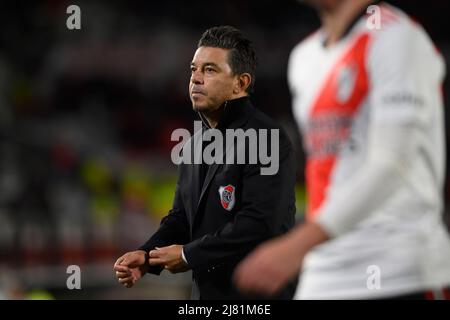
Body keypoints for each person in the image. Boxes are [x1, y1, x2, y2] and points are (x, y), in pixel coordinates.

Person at [234, 0, 450, 299]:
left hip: (399, 272)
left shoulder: (398, 39)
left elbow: (393, 164)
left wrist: (297, 244)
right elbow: (330, 171)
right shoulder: (304, 58)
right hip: (323, 276)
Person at [113, 25, 298, 300]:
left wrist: (188, 256)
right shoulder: (193, 145)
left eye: (210, 70)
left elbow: (259, 223)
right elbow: (181, 219)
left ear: (241, 83)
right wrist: (148, 255)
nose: (196, 79)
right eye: (193, 69)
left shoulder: (266, 137)